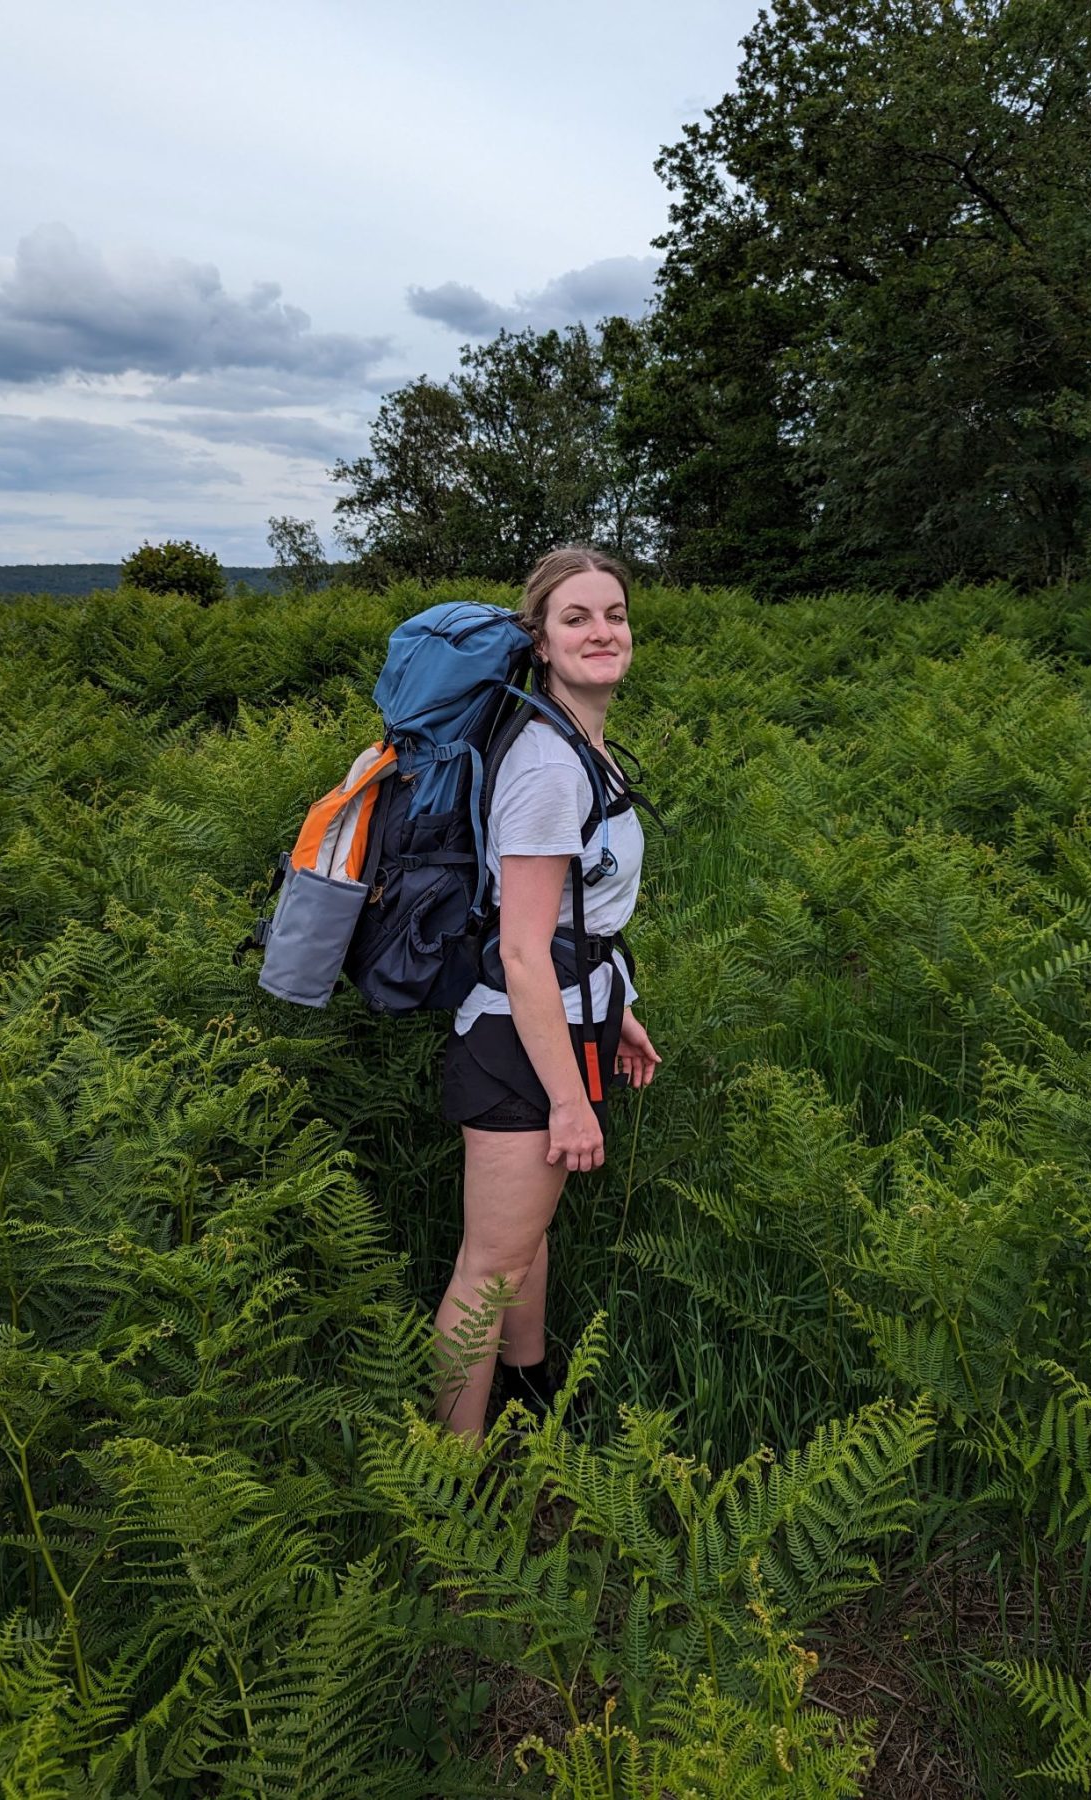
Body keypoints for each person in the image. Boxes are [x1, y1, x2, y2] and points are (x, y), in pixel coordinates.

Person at [432, 545, 660, 1439]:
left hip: (572, 1017)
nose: (601, 631)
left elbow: (580, 916)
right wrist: (569, 1101)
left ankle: (530, 1407)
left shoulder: (582, 743)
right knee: (487, 1267)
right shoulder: (547, 768)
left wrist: (619, 1008)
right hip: (519, 1043)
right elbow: (522, 951)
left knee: (527, 1243)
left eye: (613, 614)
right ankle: (449, 1483)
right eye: (576, 618)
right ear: (539, 639)